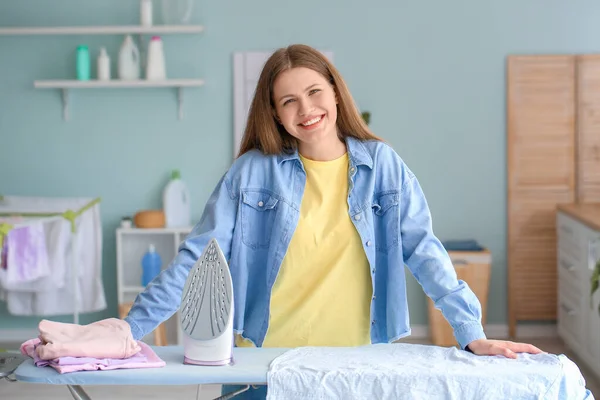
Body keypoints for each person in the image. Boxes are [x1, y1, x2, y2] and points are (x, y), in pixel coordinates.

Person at [124, 44, 542, 399]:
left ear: (336, 93)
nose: (306, 109)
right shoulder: (251, 173)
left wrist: (471, 332)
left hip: (353, 367)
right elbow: (198, 260)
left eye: (314, 92)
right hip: (264, 365)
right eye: (289, 101)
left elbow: (424, 251)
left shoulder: (383, 166)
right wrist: (128, 331)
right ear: (274, 112)